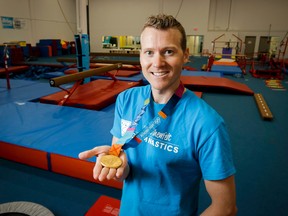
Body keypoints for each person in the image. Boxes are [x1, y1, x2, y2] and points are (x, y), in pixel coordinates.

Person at [79, 14, 237, 216]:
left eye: (168, 51)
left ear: (185, 55)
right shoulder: (126, 100)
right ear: (141, 56)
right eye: (149, 52)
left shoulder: (207, 124)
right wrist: (118, 165)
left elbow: (226, 207)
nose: (158, 62)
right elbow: (125, 172)